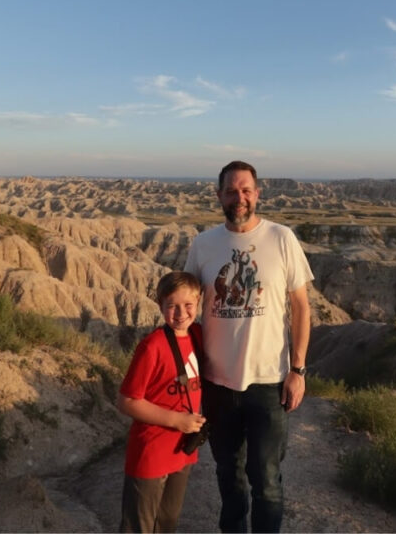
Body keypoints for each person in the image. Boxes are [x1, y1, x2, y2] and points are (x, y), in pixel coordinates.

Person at [184, 160, 313, 533]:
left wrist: (298, 370)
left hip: (269, 384)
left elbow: (301, 307)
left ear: (257, 193)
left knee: (267, 481)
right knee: (229, 477)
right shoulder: (203, 244)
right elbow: (188, 307)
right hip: (217, 385)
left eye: (245, 190)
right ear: (219, 195)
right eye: (230, 191)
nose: (238, 198)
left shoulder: (281, 238)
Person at [117, 271, 207, 533]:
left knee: (167, 523)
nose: (181, 313)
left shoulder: (197, 336)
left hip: (182, 451)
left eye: (188, 305)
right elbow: (127, 402)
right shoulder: (152, 347)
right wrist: (177, 420)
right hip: (151, 451)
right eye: (172, 306)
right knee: (139, 525)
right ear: (160, 307)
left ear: (198, 303)